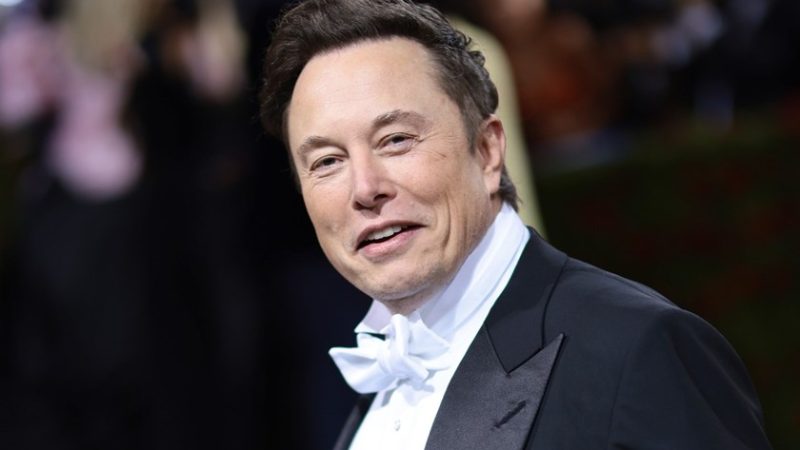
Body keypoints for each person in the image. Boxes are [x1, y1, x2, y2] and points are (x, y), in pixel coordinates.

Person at [258, 0, 772, 449]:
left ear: (487, 151)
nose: (365, 188)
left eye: (395, 140)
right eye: (327, 161)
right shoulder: (375, 389)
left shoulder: (639, 349)